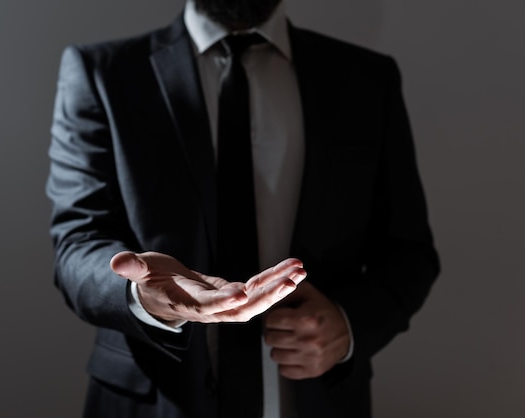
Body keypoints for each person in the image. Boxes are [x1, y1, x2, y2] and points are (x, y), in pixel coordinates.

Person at [46, 0, 440, 417]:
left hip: (316, 401)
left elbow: (409, 252)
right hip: (151, 401)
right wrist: (143, 297)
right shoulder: (102, 72)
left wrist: (348, 323)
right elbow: (77, 243)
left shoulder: (366, 79)